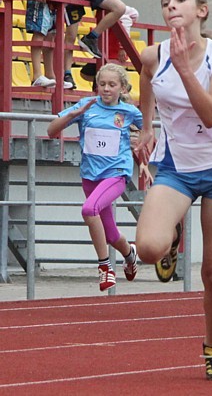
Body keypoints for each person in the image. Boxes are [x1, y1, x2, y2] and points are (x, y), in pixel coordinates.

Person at [133, 0, 212, 381]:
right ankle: (172, 238)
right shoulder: (153, 54)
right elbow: (144, 75)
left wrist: (182, 68)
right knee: (146, 248)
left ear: (201, 10)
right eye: (165, 2)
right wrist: (146, 125)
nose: (171, 6)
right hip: (177, 168)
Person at [47, 64, 148, 291]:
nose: (106, 89)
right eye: (101, 84)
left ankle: (104, 268)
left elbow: (148, 133)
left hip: (116, 174)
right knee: (111, 234)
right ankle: (130, 254)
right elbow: (51, 131)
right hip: (90, 176)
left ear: (122, 88)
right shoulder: (86, 106)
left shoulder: (129, 112)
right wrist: (73, 115)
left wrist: (144, 161)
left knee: (88, 209)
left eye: (112, 85)